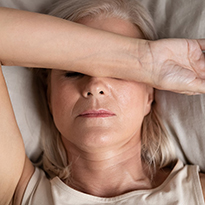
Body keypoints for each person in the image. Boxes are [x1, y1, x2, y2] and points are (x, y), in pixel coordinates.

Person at [0, 0, 205, 204]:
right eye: (73, 72)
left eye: (120, 73)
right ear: (49, 95)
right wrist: (143, 59)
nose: (94, 86)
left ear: (149, 95)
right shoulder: (19, 191)